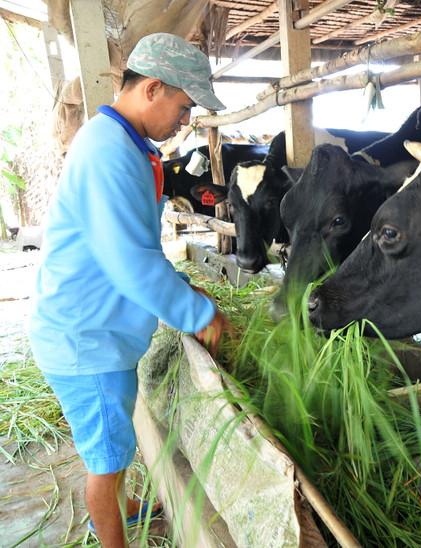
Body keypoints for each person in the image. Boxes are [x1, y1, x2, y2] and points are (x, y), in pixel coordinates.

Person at [28, 33, 228, 547]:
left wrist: (181, 288)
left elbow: (135, 244)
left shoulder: (123, 144)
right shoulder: (107, 150)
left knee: (112, 440)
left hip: (99, 329)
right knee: (106, 459)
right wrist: (196, 312)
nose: (184, 123)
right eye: (184, 109)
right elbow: (130, 263)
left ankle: (124, 505)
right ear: (153, 89)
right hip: (86, 338)